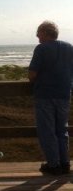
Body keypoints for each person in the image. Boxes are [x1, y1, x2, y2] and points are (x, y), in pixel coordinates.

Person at [29, 21, 73, 175]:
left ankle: (53, 165)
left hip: (45, 95)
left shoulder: (41, 49)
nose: (37, 36)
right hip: (64, 95)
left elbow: (32, 74)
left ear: (46, 33)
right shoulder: (69, 47)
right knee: (62, 130)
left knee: (47, 131)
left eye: (38, 32)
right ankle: (65, 163)